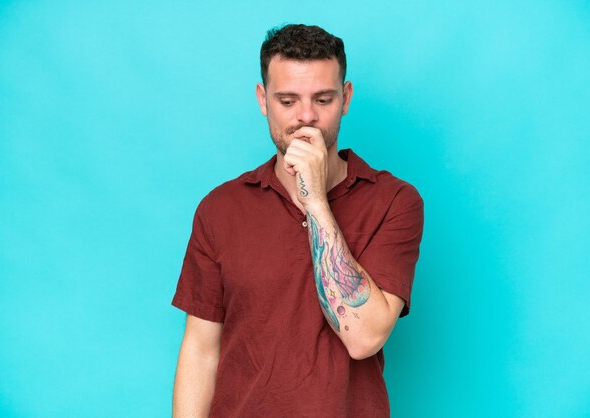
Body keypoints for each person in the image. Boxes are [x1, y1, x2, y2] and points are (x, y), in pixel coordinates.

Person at [171, 23, 424, 417]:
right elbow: (202, 350)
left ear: (346, 98)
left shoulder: (393, 201)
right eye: (287, 101)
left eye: (322, 99)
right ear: (263, 100)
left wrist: (316, 201)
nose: (306, 117)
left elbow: (363, 337)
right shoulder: (220, 209)